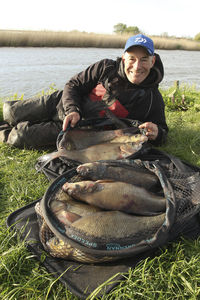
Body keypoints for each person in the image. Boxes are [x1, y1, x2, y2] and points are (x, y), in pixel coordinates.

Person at [1, 34, 168, 149]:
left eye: (144, 60)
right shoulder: (106, 67)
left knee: (19, 137)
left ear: (153, 61)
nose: (137, 66)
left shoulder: (153, 99)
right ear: (124, 58)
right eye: (132, 59)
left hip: (76, 129)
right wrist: (72, 110)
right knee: (10, 111)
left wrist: (157, 132)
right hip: (61, 103)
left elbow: (161, 130)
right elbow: (73, 85)